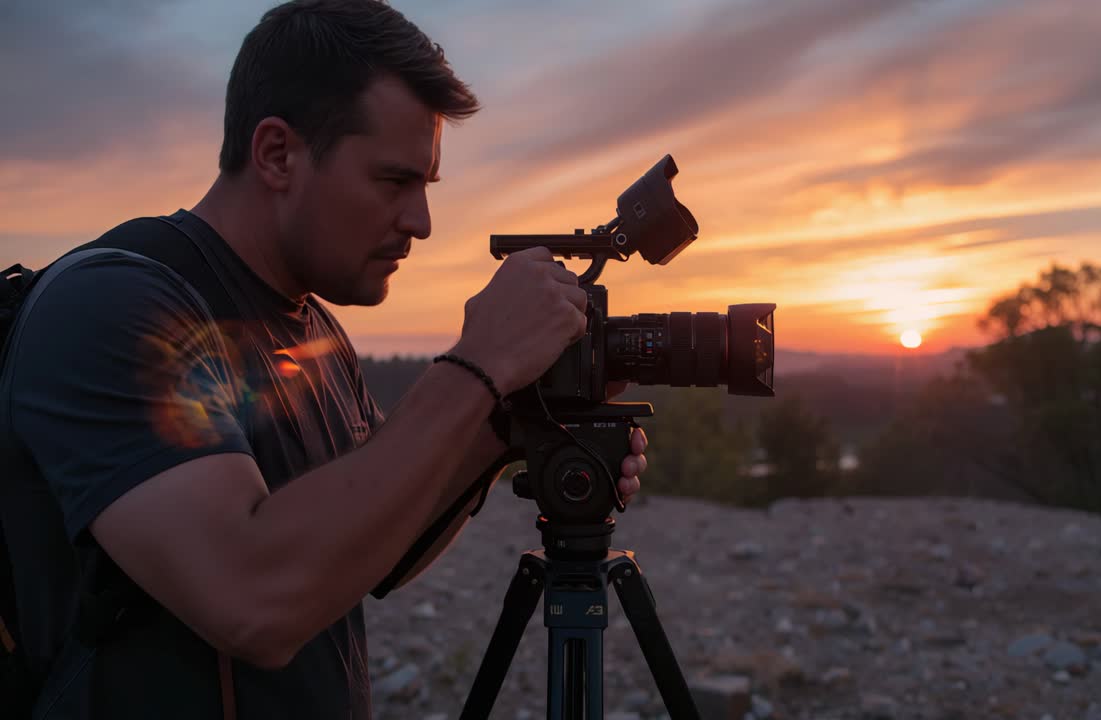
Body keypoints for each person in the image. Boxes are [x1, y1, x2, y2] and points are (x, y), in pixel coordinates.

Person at [0, 1, 648, 717]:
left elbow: (374, 546)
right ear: (277, 153)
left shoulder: (315, 331)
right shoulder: (113, 306)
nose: (421, 223)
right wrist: (477, 365)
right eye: (394, 181)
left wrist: (510, 420)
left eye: (425, 187)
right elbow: (253, 596)